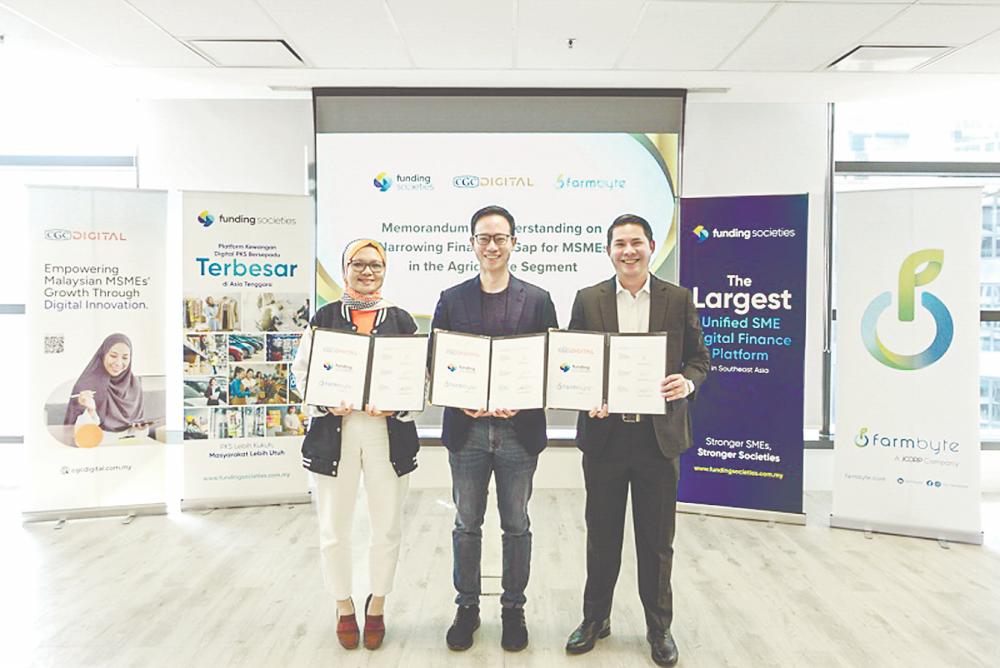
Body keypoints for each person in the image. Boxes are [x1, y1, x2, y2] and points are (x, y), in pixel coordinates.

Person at [564, 214, 710, 667]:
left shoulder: (677, 297)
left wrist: (685, 384)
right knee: (602, 536)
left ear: (651, 246)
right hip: (606, 437)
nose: (628, 251)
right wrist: (587, 395)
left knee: (656, 540)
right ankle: (595, 619)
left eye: (636, 243)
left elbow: (698, 359)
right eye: (619, 244)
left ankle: (658, 628)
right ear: (609, 250)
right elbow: (575, 360)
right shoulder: (588, 299)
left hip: (657, 440)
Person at [431, 205, 558, 653]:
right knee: (467, 524)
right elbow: (437, 363)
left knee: (516, 525)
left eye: (500, 238)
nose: (492, 246)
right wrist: (456, 396)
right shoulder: (451, 298)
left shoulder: (538, 299)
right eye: (484, 238)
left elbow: (549, 367)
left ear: (514, 243)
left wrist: (522, 399)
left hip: (517, 434)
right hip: (466, 433)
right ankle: (467, 608)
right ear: (472, 243)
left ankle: (513, 610)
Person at [292, 238, 420, 652]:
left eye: (376, 265)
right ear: (344, 268)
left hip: (387, 436)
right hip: (335, 433)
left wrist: (398, 406)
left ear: (385, 271)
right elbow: (301, 376)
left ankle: (377, 604)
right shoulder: (324, 318)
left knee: (387, 527)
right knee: (333, 529)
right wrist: (324, 400)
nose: (367, 272)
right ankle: (344, 605)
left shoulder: (401, 320)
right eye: (358, 264)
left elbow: (420, 382)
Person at [64, 333, 145, 433]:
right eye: (113, 356)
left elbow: (139, 424)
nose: (118, 363)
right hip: (96, 443)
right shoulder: (85, 385)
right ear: (103, 355)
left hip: (128, 443)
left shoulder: (134, 385)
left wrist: (139, 428)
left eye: (125, 358)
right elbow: (72, 430)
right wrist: (90, 411)